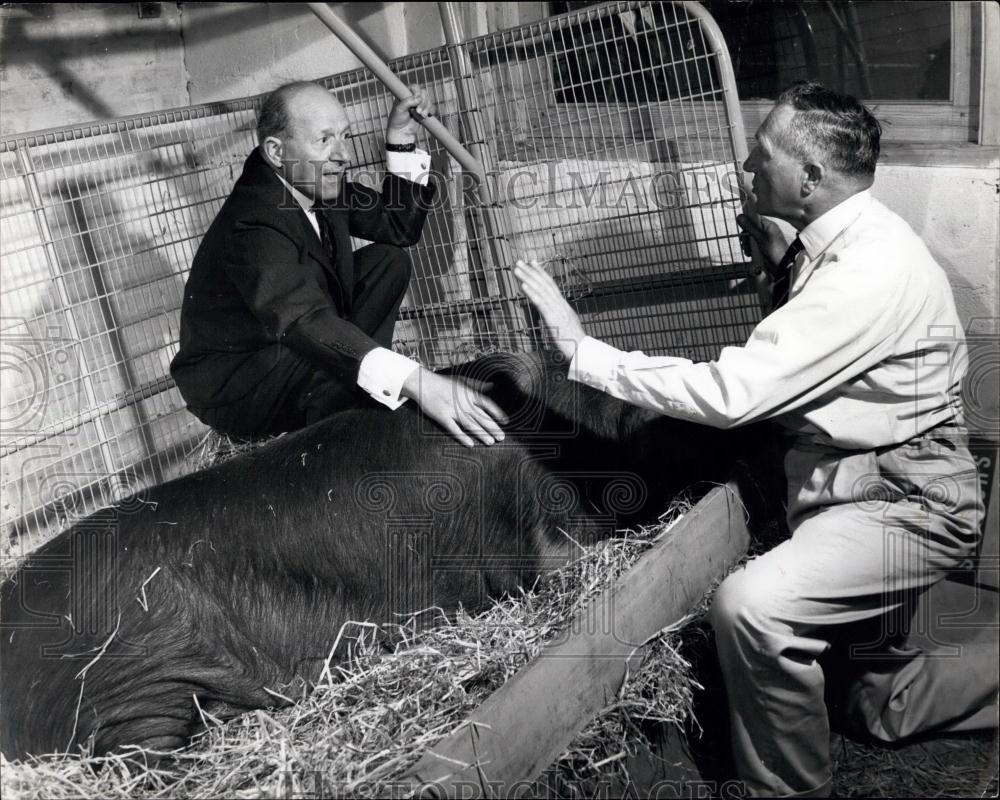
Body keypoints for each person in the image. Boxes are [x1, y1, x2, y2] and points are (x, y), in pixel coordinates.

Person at [515, 81, 997, 797]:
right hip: (849, 483)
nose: (745, 163)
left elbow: (736, 393)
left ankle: (788, 790)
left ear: (809, 177)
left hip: (905, 500)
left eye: (761, 152)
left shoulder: (868, 270)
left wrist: (582, 351)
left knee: (753, 606)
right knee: (875, 704)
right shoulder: (836, 241)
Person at [171, 81, 506, 447]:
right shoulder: (253, 220)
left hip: (283, 346)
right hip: (238, 382)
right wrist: (418, 381)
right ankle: (352, 422)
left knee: (386, 262)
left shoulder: (314, 181)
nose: (343, 154)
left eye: (344, 136)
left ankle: (362, 398)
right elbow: (304, 321)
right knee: (330, 361)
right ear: (276, 151)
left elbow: (398, 226)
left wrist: (399, 139)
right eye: (325, 140)